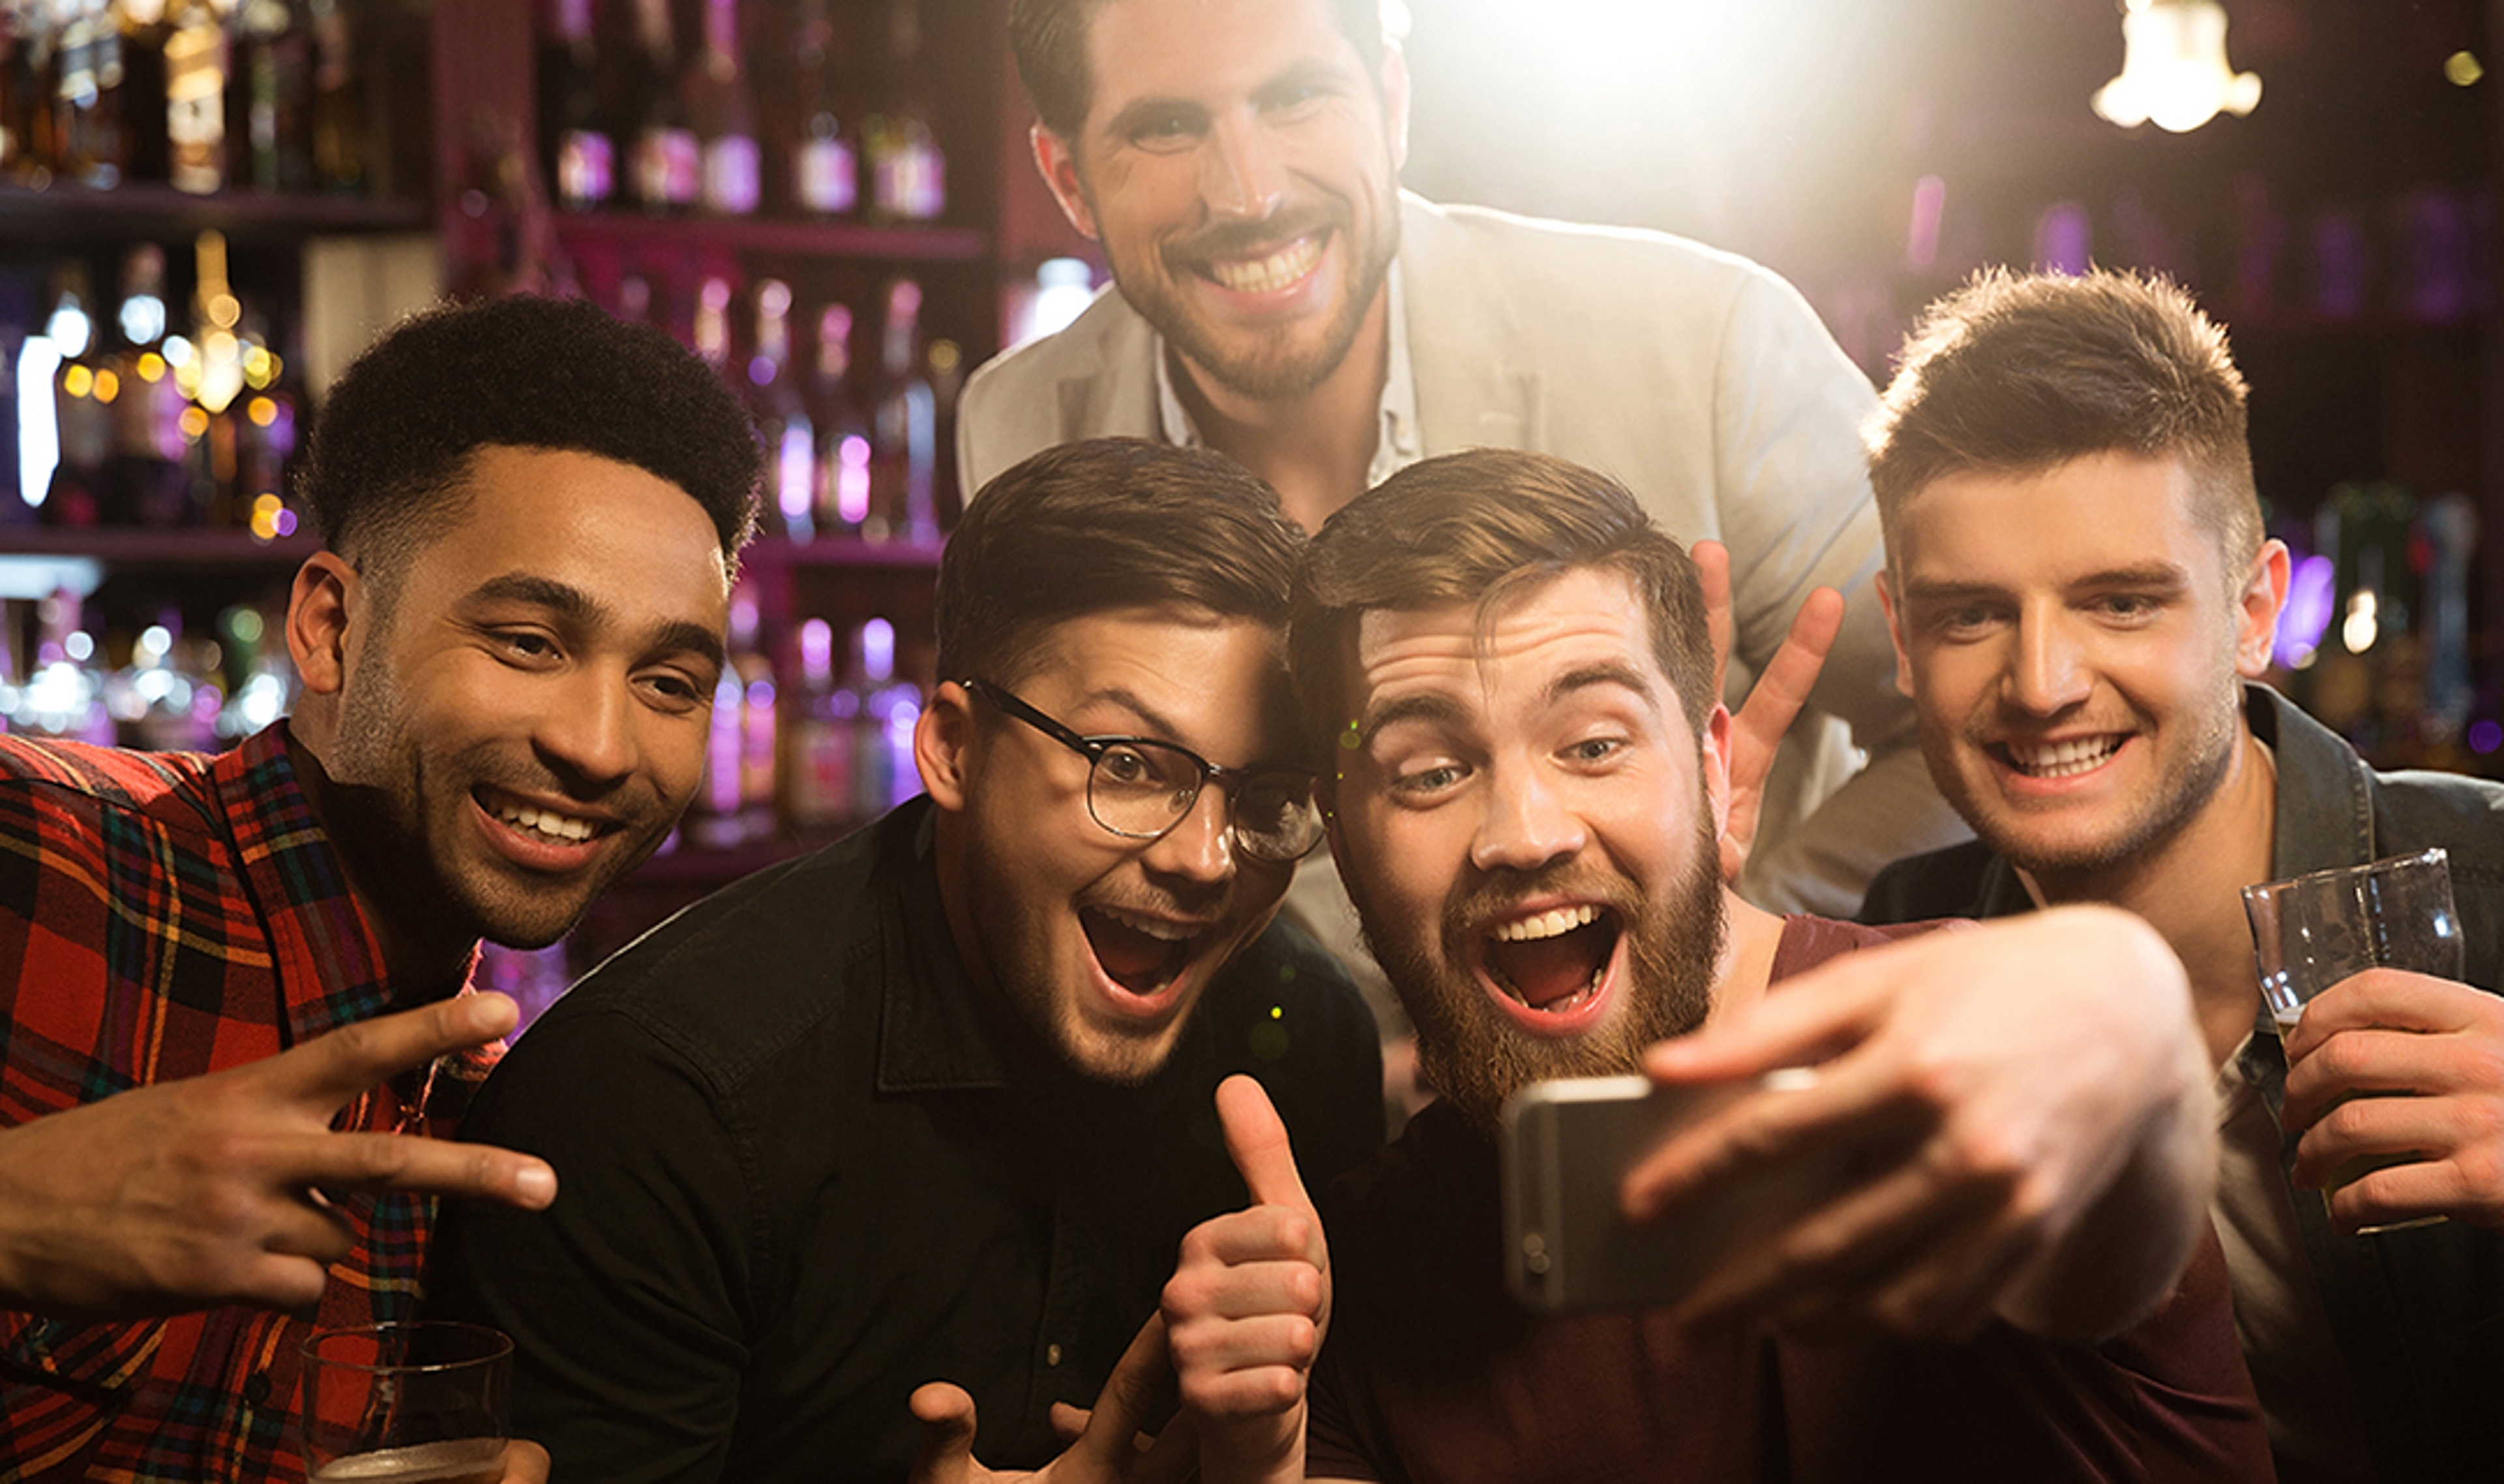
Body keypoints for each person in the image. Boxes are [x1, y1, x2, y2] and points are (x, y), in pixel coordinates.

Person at [1230, 448, 2271, 1481]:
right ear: (1342, 837)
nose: (1523, 832)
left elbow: (2113, 1135)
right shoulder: (1350, 1283)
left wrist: (2123, 1006)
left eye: (1594, 745)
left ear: (1713, 766)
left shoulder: (1957, 1055)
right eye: (1432, 771)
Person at [423, 438, 1386, 1482]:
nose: (1206, 860)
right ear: (954, 750)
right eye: (1131, 766)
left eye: (1262, 798)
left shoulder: (1309, 1040)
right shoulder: (654, 1106)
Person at [959, 0, 1970, 919]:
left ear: (1391, 104)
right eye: (1167, 126)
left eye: (1299, 96)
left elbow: (1975, 731)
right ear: (1068, 178)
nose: (1249, 192)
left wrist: (1735, 947)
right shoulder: (1019, 428)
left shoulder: (1705, 345)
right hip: (1247, 1094)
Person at [0, 294, 764, 1482]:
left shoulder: (507, 1123)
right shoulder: (38, 851)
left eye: (670, 681)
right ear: (329, 628)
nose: (604, 746)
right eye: (527, 642)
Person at [1856, 268, 2504, 1483]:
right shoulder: (1902, 945)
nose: (2043, 681)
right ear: (1900, 637)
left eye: (2121, 601)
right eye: (1971, 617)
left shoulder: (2496, 890)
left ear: (2255, 607)